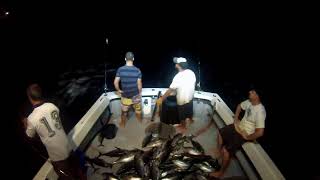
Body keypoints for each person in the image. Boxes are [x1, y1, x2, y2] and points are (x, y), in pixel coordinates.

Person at [22, 84, 86, 180]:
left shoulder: (31, 118)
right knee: (78, 171)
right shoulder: (52, 106)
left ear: (30, 97)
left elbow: (29, 136)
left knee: (67, 177)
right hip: (68, 148)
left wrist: (25, 124)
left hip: (57, 157)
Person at [210, 89, 266, 178]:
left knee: (226, 151)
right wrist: (236, 119)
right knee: (220, 133)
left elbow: (260, 132)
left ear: (257, 96)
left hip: (245, 133)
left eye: (253, 92)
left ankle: (220, 173)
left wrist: (247, 137)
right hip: (238, 126)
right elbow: (240, 106)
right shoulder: (249, 101)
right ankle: (218, 150)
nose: (250, 92)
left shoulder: (260, 112)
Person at [161, 57, 196, 133]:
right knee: (189, 111)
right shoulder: (191, 72)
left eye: (176, 63)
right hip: (190, 98)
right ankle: (190, 120)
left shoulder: (177, 77)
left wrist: (161, 99)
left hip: (182, 101)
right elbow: (186, 85)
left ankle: (183, 127)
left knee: (182, 116)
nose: (175, 64)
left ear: (178, 65)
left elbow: (169, 91)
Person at [114, 51, 143, 127]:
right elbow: (139, 84)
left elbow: (115, 82)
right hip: (135, 95)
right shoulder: (137, 70)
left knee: (124, 112)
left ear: (125, 59)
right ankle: (140, 122)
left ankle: (123, 124)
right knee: (138, 110)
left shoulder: (120, 69)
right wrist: (139, 93)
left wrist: (119, 90)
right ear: (133, 59)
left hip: (125, 95)